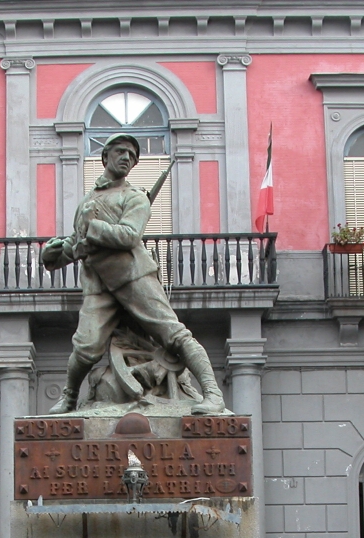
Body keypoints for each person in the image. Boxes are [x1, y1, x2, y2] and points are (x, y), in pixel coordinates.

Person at [41, 133, 227, 416]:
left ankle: (213, 394)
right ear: (105, 157)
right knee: (86, 348)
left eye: (132, 154)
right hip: (99, 285)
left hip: (133, 276)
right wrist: (55, 255)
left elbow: (129, 236)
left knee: (174, 335)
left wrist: (93, 229)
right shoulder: (87, 202)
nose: (127, 157)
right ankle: (69, 397)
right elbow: (81, 243)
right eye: (121, 151)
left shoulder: (136, 197)